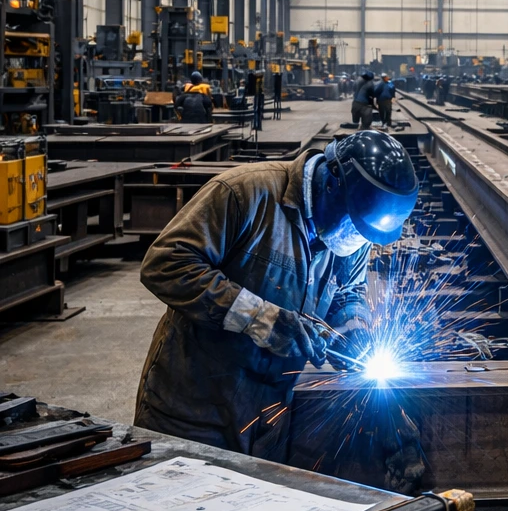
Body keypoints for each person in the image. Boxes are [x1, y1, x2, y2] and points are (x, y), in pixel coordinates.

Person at [135, 130, 420, 460]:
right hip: (192, 407)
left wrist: (352, 328)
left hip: (268, 415)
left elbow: (348, 292)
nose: (357, 240)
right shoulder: (245, 192)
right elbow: (165, 262)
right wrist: (260, 318)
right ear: (330, 184)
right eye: (354, 226)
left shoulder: (355, 231)